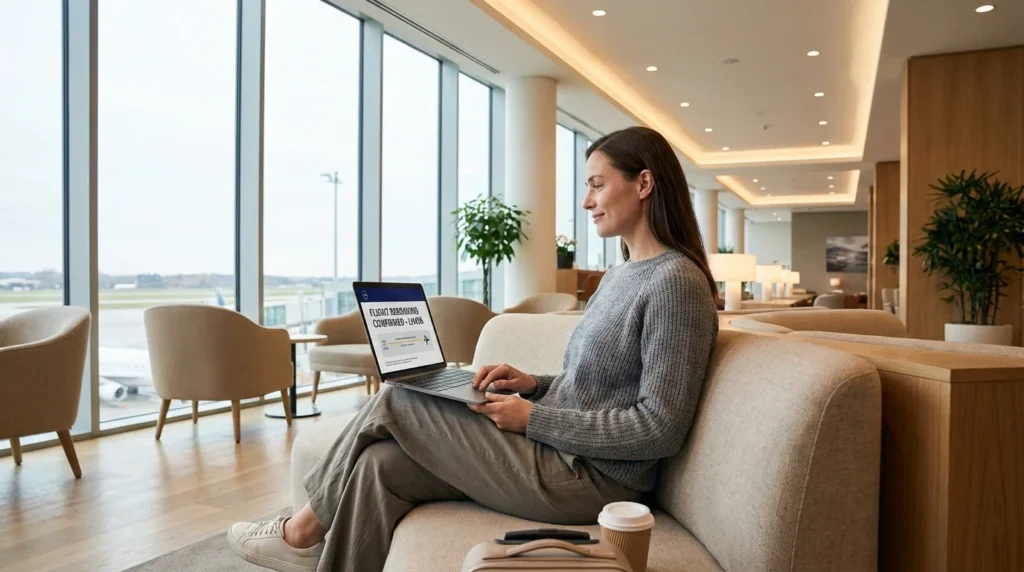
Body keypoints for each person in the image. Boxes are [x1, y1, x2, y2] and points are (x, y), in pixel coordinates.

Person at [226, 126, 720, 572]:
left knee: (398, 398)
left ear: (644, 183)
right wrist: (534, 385)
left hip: (592, 480)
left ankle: (300, 533)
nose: (587, 201)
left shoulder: (675, 283)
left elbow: (658, 427)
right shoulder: (620, 276)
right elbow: (596, 386)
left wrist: (533, 418)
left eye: (596, 183)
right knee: (382, 467)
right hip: (559, 452)